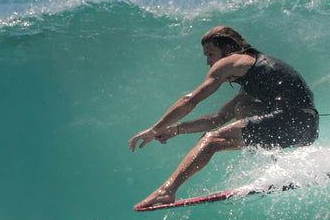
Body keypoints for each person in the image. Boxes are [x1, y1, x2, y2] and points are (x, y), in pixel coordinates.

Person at [129, 26, 318, 209]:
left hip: (290, 121)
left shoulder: (231, 62)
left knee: (211, 140)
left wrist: (154, 129)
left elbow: (191, 100)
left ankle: (166, 191)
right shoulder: (252, 69)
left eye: (210, 54)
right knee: (240, 108)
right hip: (305, 128)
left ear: (227, 49)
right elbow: (218, 118)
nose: (208, 62)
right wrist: (176, 129)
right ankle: (284, 168)